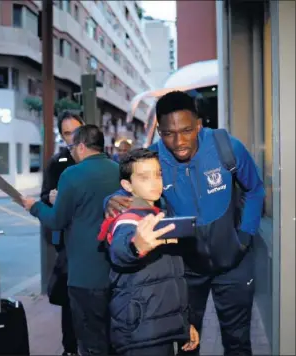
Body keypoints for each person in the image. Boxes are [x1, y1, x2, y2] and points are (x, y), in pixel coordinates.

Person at [104, 91, 265, 356]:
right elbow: (126, 190)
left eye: (187, 130)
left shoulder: (227, 147)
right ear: (159, 131)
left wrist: (245, 236)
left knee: (238, 344)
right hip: (188, 269)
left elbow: (255, 189)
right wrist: (110, 201)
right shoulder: (153, 159)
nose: (179, 141)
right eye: (168, 133)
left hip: (234, 265)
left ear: (199, 125)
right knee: (188, 343)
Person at [21, 125, 121, 356]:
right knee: (113, 337)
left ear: (82, 146)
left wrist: (34, 206)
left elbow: (56, 220)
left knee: (91, 341)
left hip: (84, 275)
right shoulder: (119, 170)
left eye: (72, 147)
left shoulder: (72, 174)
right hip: (115, 271)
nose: (72, 152)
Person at [98, 148, 199, 356]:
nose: (154, 182)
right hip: (141, 335)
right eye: (144, 177)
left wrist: (183, 324)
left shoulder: (159, 215)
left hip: (160, 330)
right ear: (127, 185)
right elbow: (120, 249)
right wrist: (136, 247)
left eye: (158, 174)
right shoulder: (128, 218)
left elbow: (170, 281)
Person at [40, 111, 83, 356]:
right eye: (67, 133)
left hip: (99, 242)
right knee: (69, 300)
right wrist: (50, 198)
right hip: (68, 243)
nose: (72, 138)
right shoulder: (57, 163)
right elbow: (44, 196)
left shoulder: (104, 159)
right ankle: (70, 349)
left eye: (76, 131)